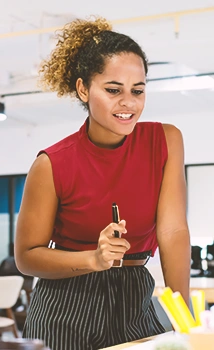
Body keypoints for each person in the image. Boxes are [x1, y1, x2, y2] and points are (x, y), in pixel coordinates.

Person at [14, 16, 191, 350]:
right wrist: (93, 259)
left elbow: (173, 233)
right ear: (83, 88)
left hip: (134, 300)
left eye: (137, 91)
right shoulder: (51, 164)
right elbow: (27, 256)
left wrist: (185, 319)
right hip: (63, 308)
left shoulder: (166, 140)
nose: (128, 103)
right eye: (113, 90)